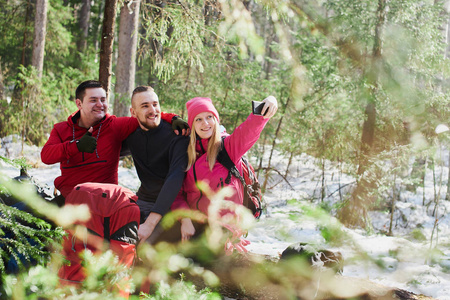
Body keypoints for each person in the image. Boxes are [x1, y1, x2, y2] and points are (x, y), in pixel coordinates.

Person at [40, 80, 188, 202]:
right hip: (70, 198)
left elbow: (148, 115)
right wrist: (76, 146)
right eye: (93, 100)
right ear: (79, 104)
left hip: (106, 200)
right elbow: (46, 156)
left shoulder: (115, 125)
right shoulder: (61, 129)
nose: (100, 104)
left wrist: (173, 117)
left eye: (103, 100)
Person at [170, 96, 277, 252]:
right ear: (192, 125)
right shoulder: (188, 153)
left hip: (224, 228)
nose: (205, 123)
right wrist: (185, 219)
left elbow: (249, 130)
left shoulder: (228, 147)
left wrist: (266, 106)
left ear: (216, 120)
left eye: (209, 117)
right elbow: (177, 193)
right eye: (198, 119)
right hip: (194, 225)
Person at [123, 86, 189, 243]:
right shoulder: (132, 135)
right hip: (143, 200)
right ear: (133, 112)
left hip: (174, 204)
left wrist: (150, 224)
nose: (153, 110)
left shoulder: (177, 135)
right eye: (145, 106)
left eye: (155, 104)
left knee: (145, 245)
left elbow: (175, 178)